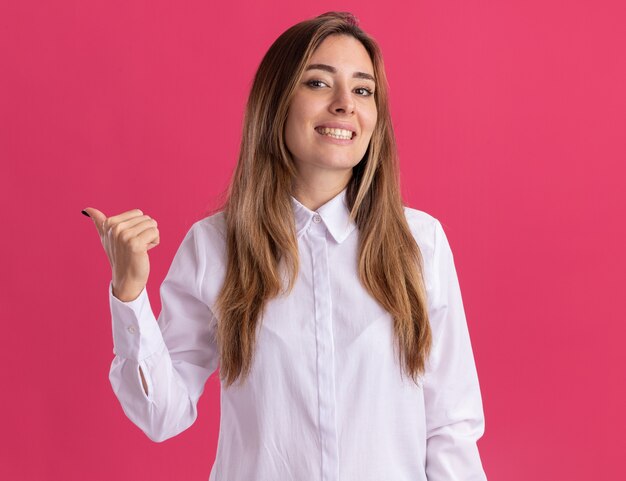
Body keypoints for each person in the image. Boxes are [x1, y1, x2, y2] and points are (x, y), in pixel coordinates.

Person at [83, 11, 487, 481]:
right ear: (276, 102)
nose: (344, 105)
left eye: (362, 90)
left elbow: (450, 426)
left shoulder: (422, 243)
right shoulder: (216, 246)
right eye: (318, 83)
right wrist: (129, 294)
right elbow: (162, 415)